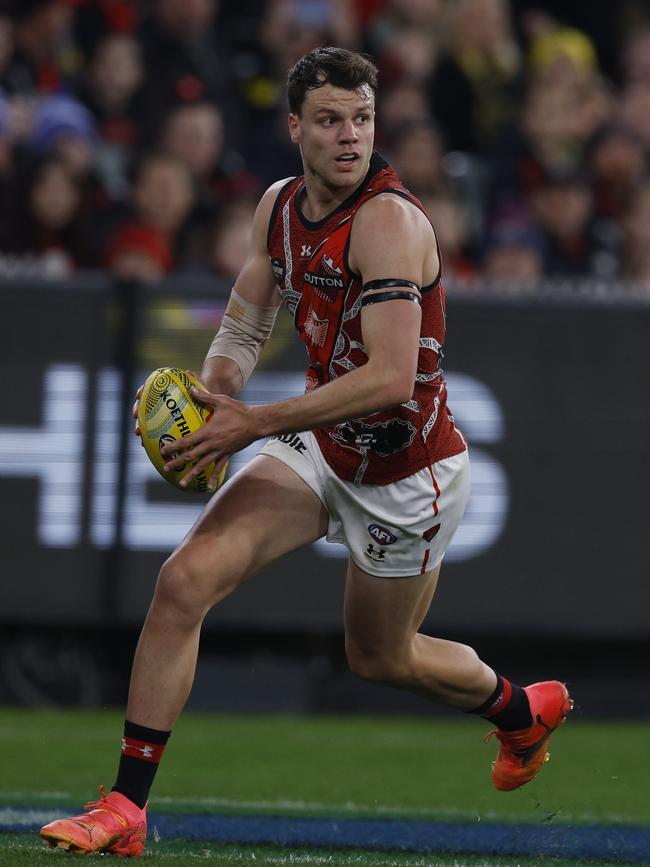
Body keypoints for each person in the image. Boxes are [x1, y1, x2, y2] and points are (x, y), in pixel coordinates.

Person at [39, 47, 572, 858]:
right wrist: (219, 390)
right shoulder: (279, 207)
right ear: (295, 126)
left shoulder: (390, 221)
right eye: (330, 120)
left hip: (406, 472)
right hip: (321, 444)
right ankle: (125, 805)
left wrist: (251, 422)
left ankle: (520, 712)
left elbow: (392, 379)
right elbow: (246, 324)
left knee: (381, 657)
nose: (350, 136)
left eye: (361, 118)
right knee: (183, 580)